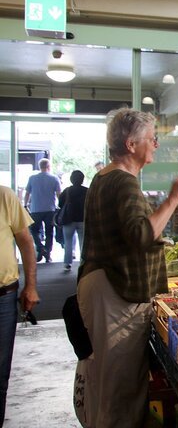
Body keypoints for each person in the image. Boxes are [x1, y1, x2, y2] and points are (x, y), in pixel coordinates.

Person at [74, 108, 178, 427]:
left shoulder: (105, 177)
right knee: (119, 388)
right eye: (151, 138)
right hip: (114, 295)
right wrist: (174, 199)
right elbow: (140, 233)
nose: (155, 144)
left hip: (102, 288)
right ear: (130, 144)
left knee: (104, 384)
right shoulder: (123, 182)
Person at [0, 186, 39, 423]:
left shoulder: (4, 196)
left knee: (0, 374)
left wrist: (31, 286)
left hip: (3, 297)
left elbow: (25, 241)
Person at [24, 158, 61, 263]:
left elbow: (27, 193)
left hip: (35, 209)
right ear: (49, 166)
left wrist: (25, 205)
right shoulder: (54, 178)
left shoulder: (32, 178)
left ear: (39, 167)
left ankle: (40, 248)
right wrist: (60, 206)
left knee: (34, 230)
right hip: (50, 209)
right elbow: (59, 194)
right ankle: (47, 254)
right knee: (49, 232)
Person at [58, 170, 89, 271]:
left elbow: (60, 204)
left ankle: (67, 263)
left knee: (68, 242)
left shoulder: (67, 191)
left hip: (69, 219)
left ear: (71, 179)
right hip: (83, 220)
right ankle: (83, 262)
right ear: (82, 179)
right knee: (83, 242)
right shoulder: (87, 191)